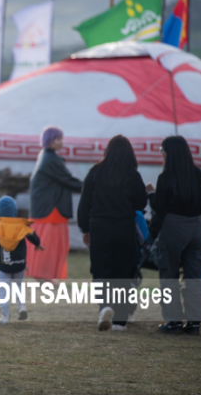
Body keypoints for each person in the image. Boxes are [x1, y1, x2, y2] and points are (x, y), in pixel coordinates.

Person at [77, 135, 147, 331]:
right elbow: (140, 203)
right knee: (123, 273)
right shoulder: (133, 175)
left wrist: (85, 229)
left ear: (106, 152)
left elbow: (84, 205)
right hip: (124, 228)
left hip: (99, 229)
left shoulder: (95, 172)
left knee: (101, 271)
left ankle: (105, 307)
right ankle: (120, 321)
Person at [147, 136, 201, 335]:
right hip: (196, 228)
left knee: (169, 274)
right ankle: (193, 322)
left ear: (169, 153)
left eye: (161, 150)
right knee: (194, 277)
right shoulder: (198, 174)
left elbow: (159, 207)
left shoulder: (165, 177)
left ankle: (173, 320)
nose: (161, 154)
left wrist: (150, 193)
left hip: (173, 227)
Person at [27, 126, 82, 281]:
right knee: (50, 246)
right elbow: (67, 180)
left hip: (46, 208)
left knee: (50, 245)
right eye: (58, 139)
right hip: (50, 209)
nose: (61, 142)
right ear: (49, 140)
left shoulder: (45, 156)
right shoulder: (50, 159)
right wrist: (91, 187)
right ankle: (44, 276)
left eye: (61, 139)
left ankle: (45, 275)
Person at [0, 196, 43, 324]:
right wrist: (37, 243)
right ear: (15, 210)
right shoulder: (21, 225)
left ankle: (5, 315)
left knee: (3, 288)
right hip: (19, 264)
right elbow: (33, 235)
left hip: (4, 265)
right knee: (19, 286)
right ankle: (21, 307)